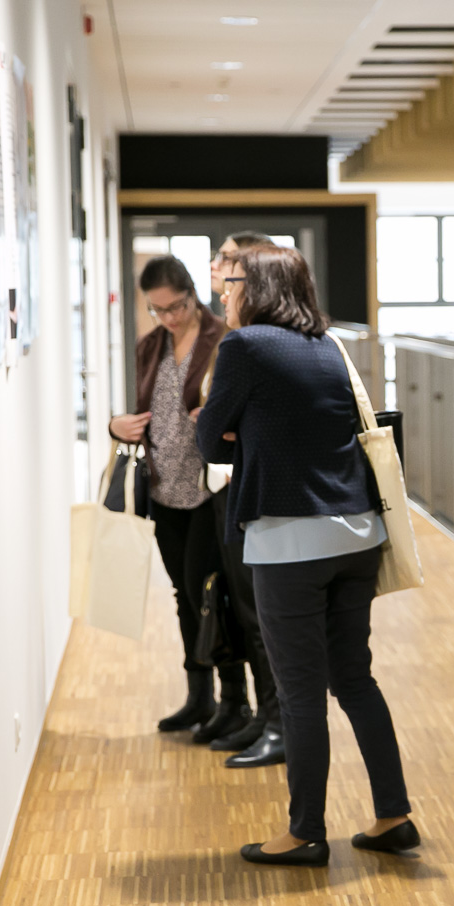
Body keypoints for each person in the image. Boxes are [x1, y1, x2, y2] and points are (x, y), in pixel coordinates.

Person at [195, 243, 417, 867]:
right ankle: (393, 815)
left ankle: (305, 832)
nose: (226, 293)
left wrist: (241, 432)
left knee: (299, 693)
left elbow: (209, 440)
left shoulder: (245, 347)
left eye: (233, 282)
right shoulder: (329, 346)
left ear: (257, 288)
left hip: (290, 542)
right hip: (356, 536)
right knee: (354, 678)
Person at [109, 256, 250, 739]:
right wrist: (116, 426)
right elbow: (142, 410)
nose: (168, 317)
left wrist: (214, 419)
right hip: (163, 489)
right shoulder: (149, 347)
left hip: (210, 490)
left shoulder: (223, 338)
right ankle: (198, 696)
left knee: (209, 591)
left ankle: (234, 701)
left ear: (192, 294)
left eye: (176, 307)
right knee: (184, 596)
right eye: (157, 309)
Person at [201, 230, 286, 767]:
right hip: (229, 486)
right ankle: (264, 716)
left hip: (251, 491)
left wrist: (223, 431)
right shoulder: (237, 335)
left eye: (228, 261)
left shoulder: (252, 342)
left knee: (262, 618)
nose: (218, 268)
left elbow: (216, 431)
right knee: (247, 613)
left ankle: (277, 723)